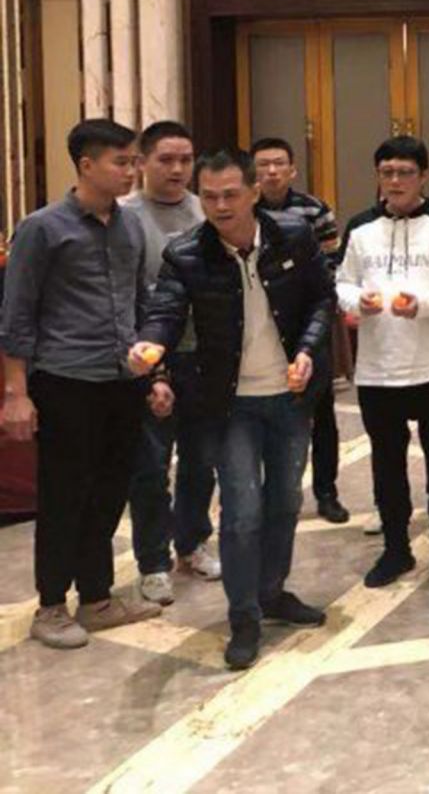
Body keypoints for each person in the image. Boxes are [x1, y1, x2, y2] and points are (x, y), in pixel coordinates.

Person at [130, 149, 335, 670]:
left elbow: (322, 299)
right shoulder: (187, 253)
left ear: (253, 192)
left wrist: (308, 350)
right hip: (229, 404)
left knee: (285, 501)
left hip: (289, 396)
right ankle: (244, 616)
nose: (220, 206)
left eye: (231, 195)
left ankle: (272, 593)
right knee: (242, 512)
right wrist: (152, 344)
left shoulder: (294, 235)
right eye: (210, 196)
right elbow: (166, 309)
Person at [0, 119, 162, 648]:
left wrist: (154, 372)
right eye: (121, 162)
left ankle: (96, 598)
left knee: (110, 490)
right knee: (64, 495)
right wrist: (16, 393)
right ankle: (50, 606)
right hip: (66, 380)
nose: (130, 171)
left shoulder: (130, 225)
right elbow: (16, 315)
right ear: (86, 165)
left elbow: (140, 302)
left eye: (133, 161)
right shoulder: (42, 228)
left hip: (123, 379)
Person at [336, 136, 429, 590]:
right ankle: (395, 550)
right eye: (387, 173)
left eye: (405, 173)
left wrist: (425, 304)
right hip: (377, 369)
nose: (395, 181)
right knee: (387, 465)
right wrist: (358, 299)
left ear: (424, 176)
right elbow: (340, 282)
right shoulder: (359, 227)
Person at [124, 121, 222, 606]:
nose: (177, 169)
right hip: (148, 359)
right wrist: (151, 369)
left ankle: (192, 543)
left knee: (202, 460)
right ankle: (152, 561)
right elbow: (125, 297)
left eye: (186, 159)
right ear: (142, 162)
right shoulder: (125, 217)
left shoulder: (206, 211)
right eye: (166, 159)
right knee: (150, 465)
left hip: (203, 358)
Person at [251, 137, 348, 525]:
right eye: (263, 164)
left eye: (279, 163)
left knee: (322, 413)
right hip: (259, 326)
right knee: (261, 414)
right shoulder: (243, 209)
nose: (271, 171)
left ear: (292, 170)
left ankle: (327, 492)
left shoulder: (315, 210)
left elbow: (332, 263)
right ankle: (267, 494)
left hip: (307, 321)